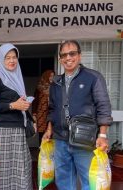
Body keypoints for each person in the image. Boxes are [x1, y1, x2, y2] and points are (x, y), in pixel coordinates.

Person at [43, 40, 112, 190]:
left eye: (72, 53)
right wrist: (49, 129)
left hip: (84, 140)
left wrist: (103, 135)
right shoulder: (56, 82)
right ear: (60, 59)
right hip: (60, 140)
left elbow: (103, 106)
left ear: (79, 56)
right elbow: (52, 108)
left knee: (90, 182)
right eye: (64, 55)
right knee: (64, 182)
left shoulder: (93, 77)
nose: (68, 58)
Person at [0, 43, 34, 190]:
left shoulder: (17, 77)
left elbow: (19, 103)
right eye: (7, 58)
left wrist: (27, 113)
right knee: (4, 171)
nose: (11, 61)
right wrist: (12, 105)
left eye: (14, 57)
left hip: (18, 131)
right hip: (3, 132)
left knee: (20, 169)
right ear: (1, 60)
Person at [32, 70, 54, 146]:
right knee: (42, 133)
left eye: (53, 76)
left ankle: (50, 153)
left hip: (51, 113)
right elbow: (35, 102)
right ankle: (41, 150)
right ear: (46, 77)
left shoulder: (55, 87)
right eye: (50, 76)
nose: (52, 78)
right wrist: (34, 114)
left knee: (51, 132)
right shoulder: (39, 88)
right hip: (41, 114)